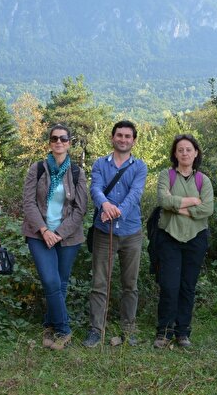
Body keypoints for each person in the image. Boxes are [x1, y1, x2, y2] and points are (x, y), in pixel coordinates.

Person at [22, 124, 88, 350]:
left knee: (60, 284)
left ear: (69, 143)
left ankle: (49, 324)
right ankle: (64, 330)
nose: (58, 142)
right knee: (50, 281)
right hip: (39, 235)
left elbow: (80, 209)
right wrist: (44, 231)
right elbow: (28, 203)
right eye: (54, 138)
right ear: (49, 143)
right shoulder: (38, 169)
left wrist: (58, 233)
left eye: (63, 138)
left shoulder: (77, 173)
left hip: (67, 237)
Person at [83, 120, 148, 348]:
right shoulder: (100, 164)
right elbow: (96, 189)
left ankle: (128, 330)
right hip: (104, 232)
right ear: (112, 138)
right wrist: (105, 206)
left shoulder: (140, 167)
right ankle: (95, 329)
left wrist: (116, 211)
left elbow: (136, 193)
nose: (123, 139)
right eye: (119, 135)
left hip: (131, 232)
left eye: (127, 136)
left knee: (130, 284)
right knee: (99, 282)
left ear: (133, 140)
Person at [153, 134, 214, 348]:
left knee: (188, 286)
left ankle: (183, 332)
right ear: (175, 153)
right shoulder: (166, 175)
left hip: (196, 239)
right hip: (169, 237)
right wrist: (191, 202)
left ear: (196, 152)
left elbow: (208, 208)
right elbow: (163, 200)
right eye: (180, 150)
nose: (185, 153)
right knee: (169, 285)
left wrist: (178, 208)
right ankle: (164, 331)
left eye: (189, 149)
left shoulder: (202, 180)